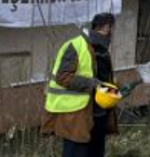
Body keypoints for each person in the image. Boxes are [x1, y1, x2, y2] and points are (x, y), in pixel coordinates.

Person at [42, 13, 119, 157]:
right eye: (112, 28)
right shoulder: (76, 45)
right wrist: (93, 84)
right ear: (107, 27)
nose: (113, 32)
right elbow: (63, 77)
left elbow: (101, 79)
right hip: (77, 116)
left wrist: (114, 91)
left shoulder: (102, 50)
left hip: (99, 115)